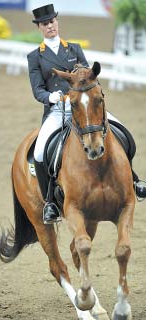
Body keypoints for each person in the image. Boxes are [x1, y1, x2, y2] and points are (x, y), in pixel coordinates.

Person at [27, 3, 146, 225]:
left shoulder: (73, 48)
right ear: (40, 28)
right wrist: (51, 97)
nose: (50, 26)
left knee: (123, 133)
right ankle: (51, 202)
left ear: (57, 22)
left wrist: (91, 92)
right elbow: (37, 90)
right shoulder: (35, 57)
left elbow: (88, 75)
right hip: (57, 110)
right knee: (41, 151)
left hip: (85, 106)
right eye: (45, 24)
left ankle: (134, 180)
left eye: (52, 21)